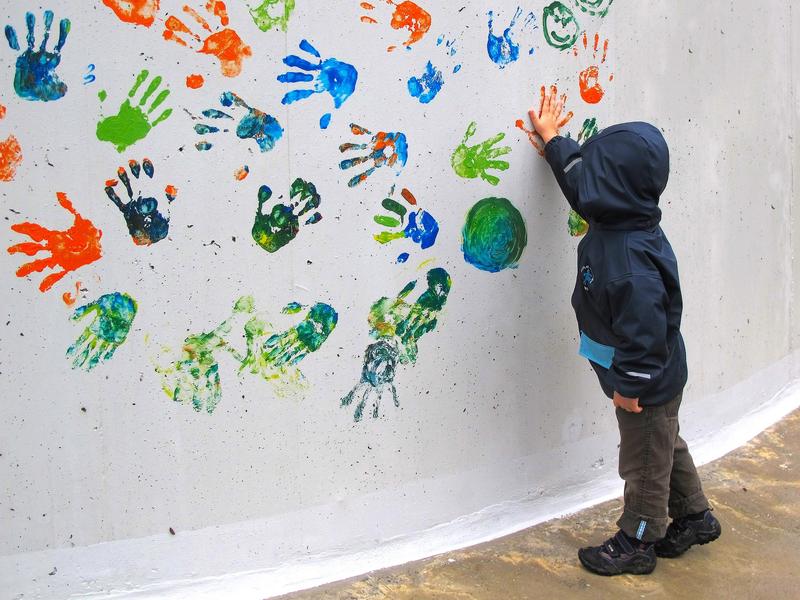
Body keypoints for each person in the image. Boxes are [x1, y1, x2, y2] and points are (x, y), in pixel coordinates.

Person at [526, 86, 722, 576]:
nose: (585, 179)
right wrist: (553, 141)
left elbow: (646, 332)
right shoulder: (613, 210)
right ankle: (695, 516)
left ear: (609, 187)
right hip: (642, 374)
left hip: (644, 378)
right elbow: (578, 181)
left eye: (596, 170)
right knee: (663, 446)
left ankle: (639, 538)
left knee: (641, 464)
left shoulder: (631, 263)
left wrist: (631, 386)